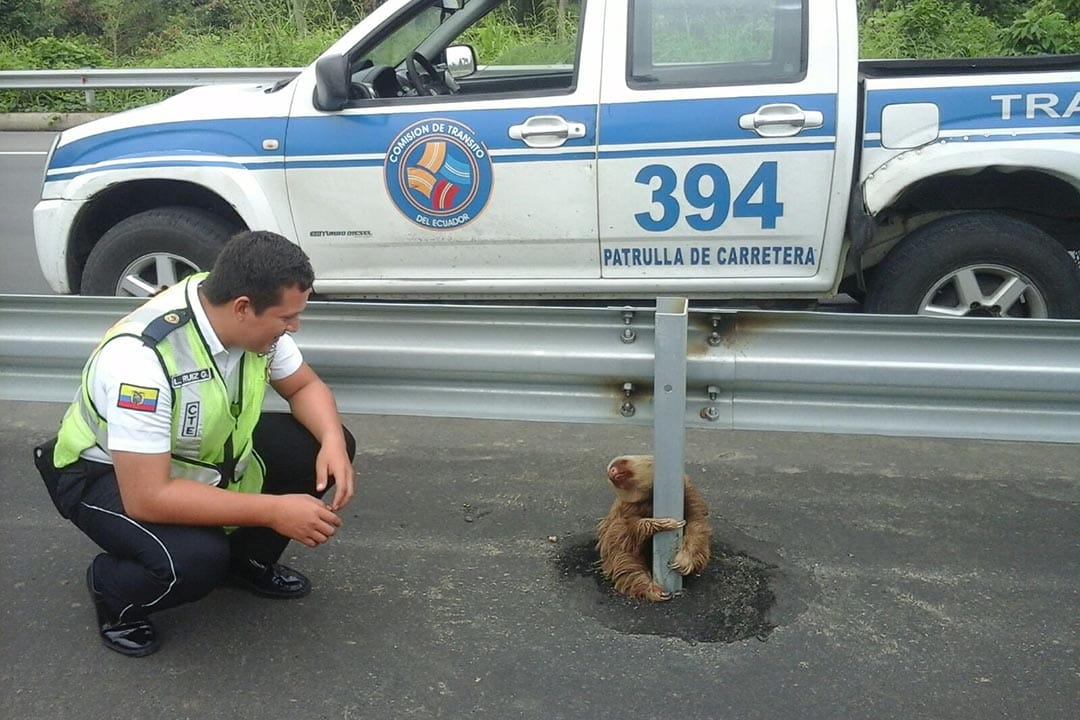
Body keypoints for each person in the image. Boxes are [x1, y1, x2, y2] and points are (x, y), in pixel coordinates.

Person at [33, 230, 356, 657]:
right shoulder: (141, 361)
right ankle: (115, 592)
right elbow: (148, 497)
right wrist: (276, 511)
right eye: (287, 318)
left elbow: (304, 387)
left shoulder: (237, 307)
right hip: (104, 474)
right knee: (196, 558)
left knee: (319, 447)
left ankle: (246, 562)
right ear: (243, 308)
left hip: (193, 456)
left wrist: (332, 439)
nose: (294, 327)